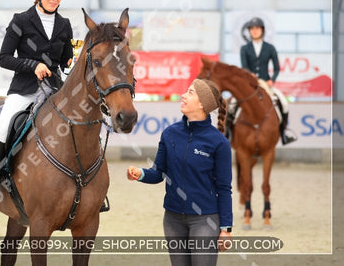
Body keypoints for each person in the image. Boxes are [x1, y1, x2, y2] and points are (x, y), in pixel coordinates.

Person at [0, 0, 74, 210]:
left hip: (54, 89)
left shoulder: (65, 24)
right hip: (24, 88)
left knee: (79, 122)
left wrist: (70, 63)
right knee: (6, 123)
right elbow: (4, 58)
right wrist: (33, 65)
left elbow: (66, 59)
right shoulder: (20, 21)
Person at [127, 79, 233, 266]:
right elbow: (158, 173)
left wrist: (226, 228)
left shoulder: (219, 143)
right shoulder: (170, 133)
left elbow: (224, 189)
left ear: (203, 104)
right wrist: (140, 174)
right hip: (172, 219)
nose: (183, 95)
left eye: (190, 92)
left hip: (205, 220)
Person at [228, 17, 297, 145]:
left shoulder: (270, 48)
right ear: (249, 31)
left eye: (257, 28)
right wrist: (250, 74)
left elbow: (277, 68)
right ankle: (228, 132)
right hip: (250, 84)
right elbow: (244, 66)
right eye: (252, 29)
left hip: (266, 84)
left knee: (283, 103)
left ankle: (284, 133)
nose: (254, 31)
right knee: (232, 104)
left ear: (262, 30)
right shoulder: (245, 48)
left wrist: (272, 80)